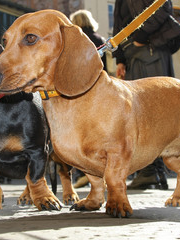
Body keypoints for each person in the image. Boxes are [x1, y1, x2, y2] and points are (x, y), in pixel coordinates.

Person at [113, 0, 180, 190]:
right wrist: (120, 58)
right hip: (136, 54)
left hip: (149, 52)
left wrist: (140, 37)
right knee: (144, 114)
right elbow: (119, 23)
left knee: (152, 113)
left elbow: (163, 7)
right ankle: (154, 171)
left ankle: (152, 172)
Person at [70, 9, 107, 188]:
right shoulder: (99, 39)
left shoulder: (74, 41)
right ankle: (101, 168)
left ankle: (82, 171)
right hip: (98, 91)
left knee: (80, 133)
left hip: (77, 90)